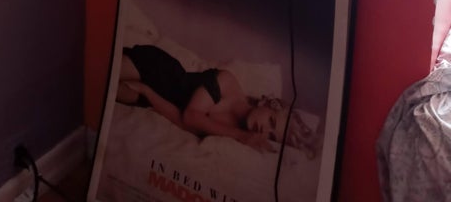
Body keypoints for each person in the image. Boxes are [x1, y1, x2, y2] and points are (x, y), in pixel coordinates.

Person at [117, 44, 318, 157]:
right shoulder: (227, 83)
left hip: (154, 96)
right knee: (105, 68)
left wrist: (148, 94)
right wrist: (241, 136)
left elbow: (181, 122)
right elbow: (190, 116)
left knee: (108, 89)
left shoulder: (230, 132)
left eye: (271, 136)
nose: (264, 131)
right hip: (157, 69)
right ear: (267, 104)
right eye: (271, 121)